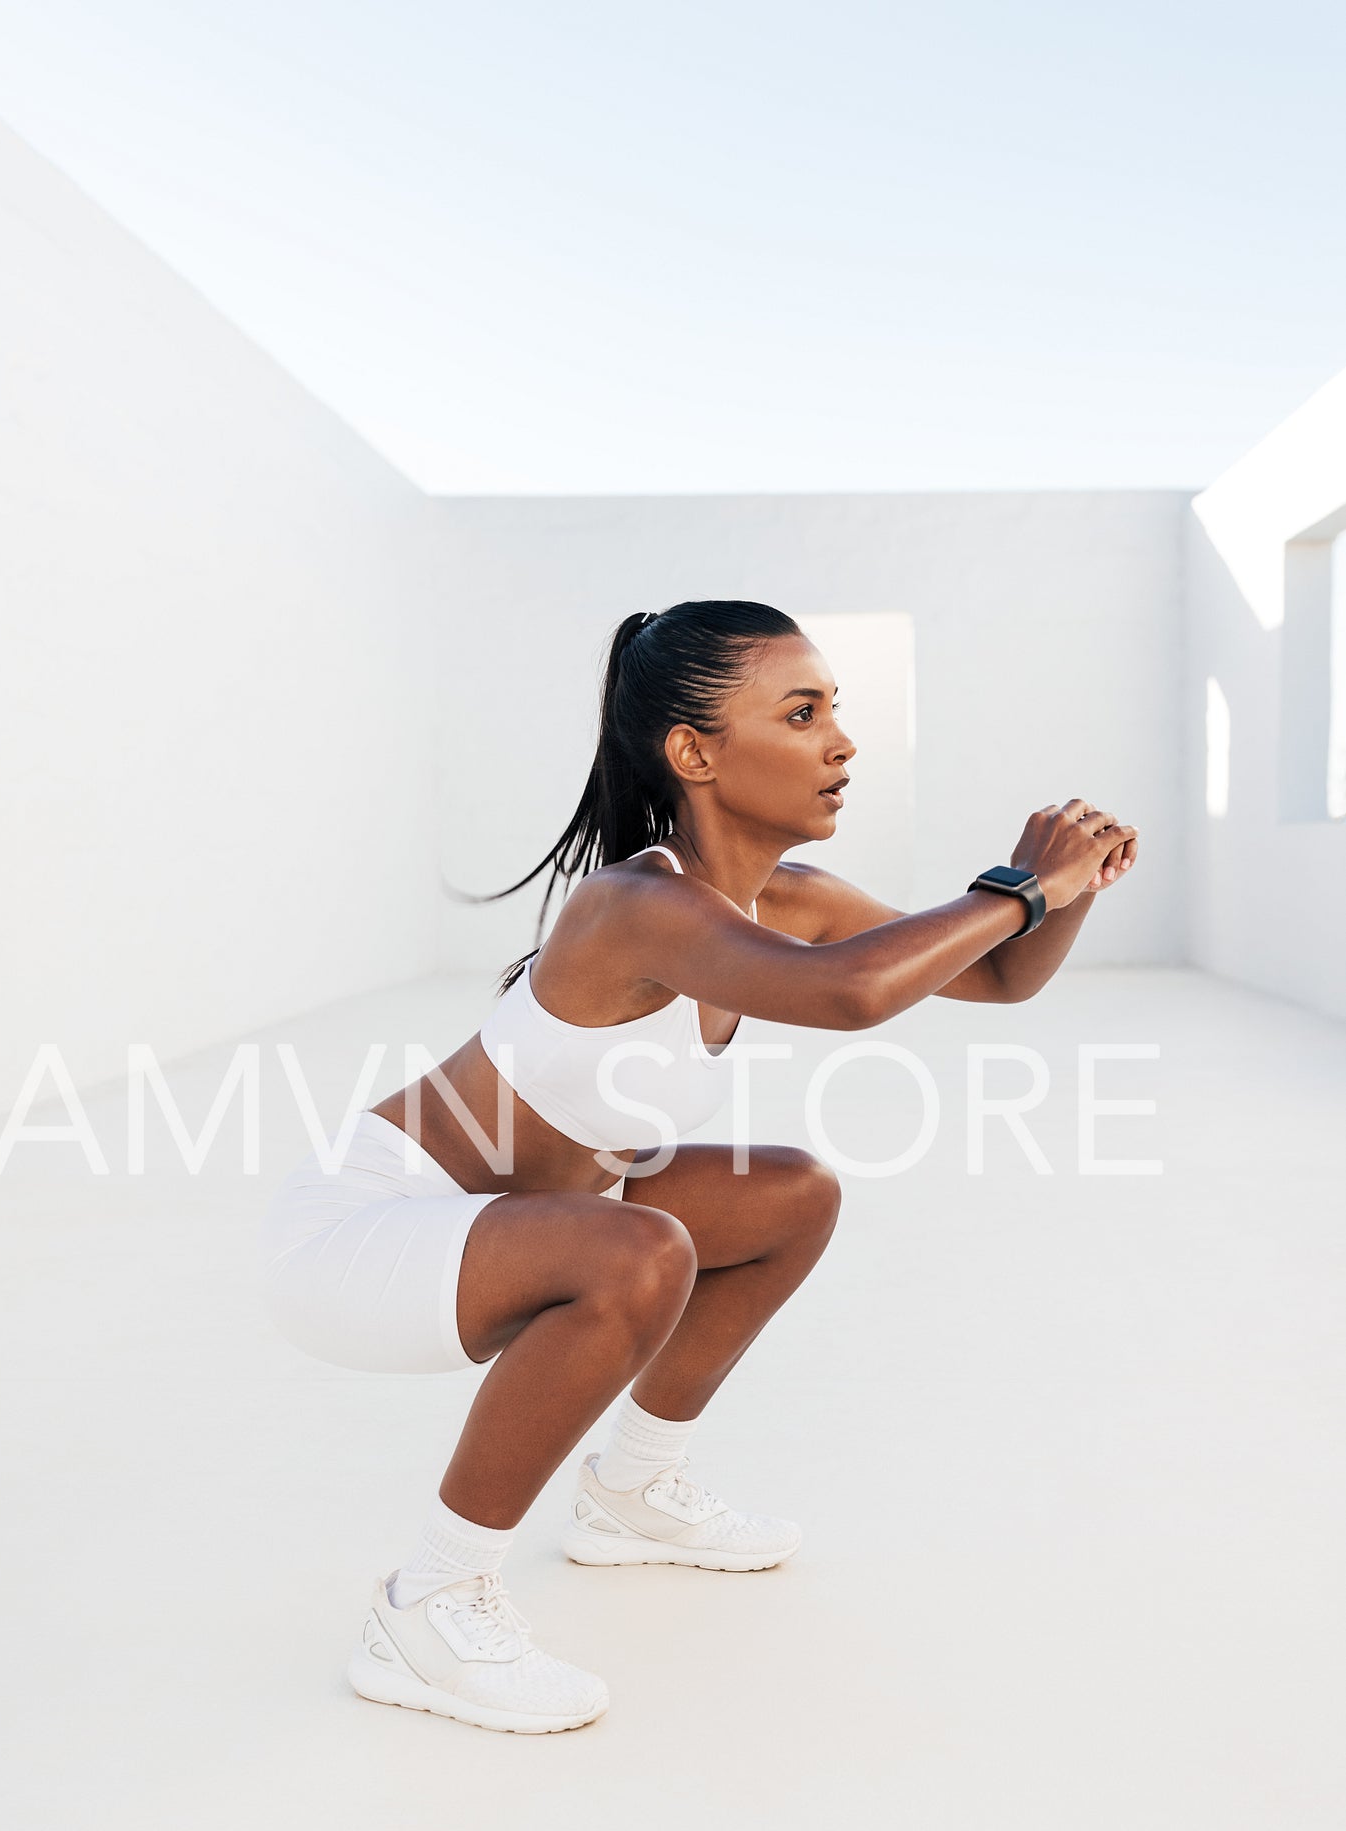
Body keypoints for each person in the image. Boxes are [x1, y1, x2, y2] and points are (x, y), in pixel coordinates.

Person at [258, 601, 1137, 1735]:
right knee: (638, 1252)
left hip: (521, 1215)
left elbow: (998, 980)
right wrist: (1017, 885)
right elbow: (848, 994)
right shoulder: (634, 906)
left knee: (787, 1195)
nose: (841, 743)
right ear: (694, 752)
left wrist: (1061, 891)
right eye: (802, 713)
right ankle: (424, 1605)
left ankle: (628, 1494)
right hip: (360, 1239)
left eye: (836, 712)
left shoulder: (787, 902)